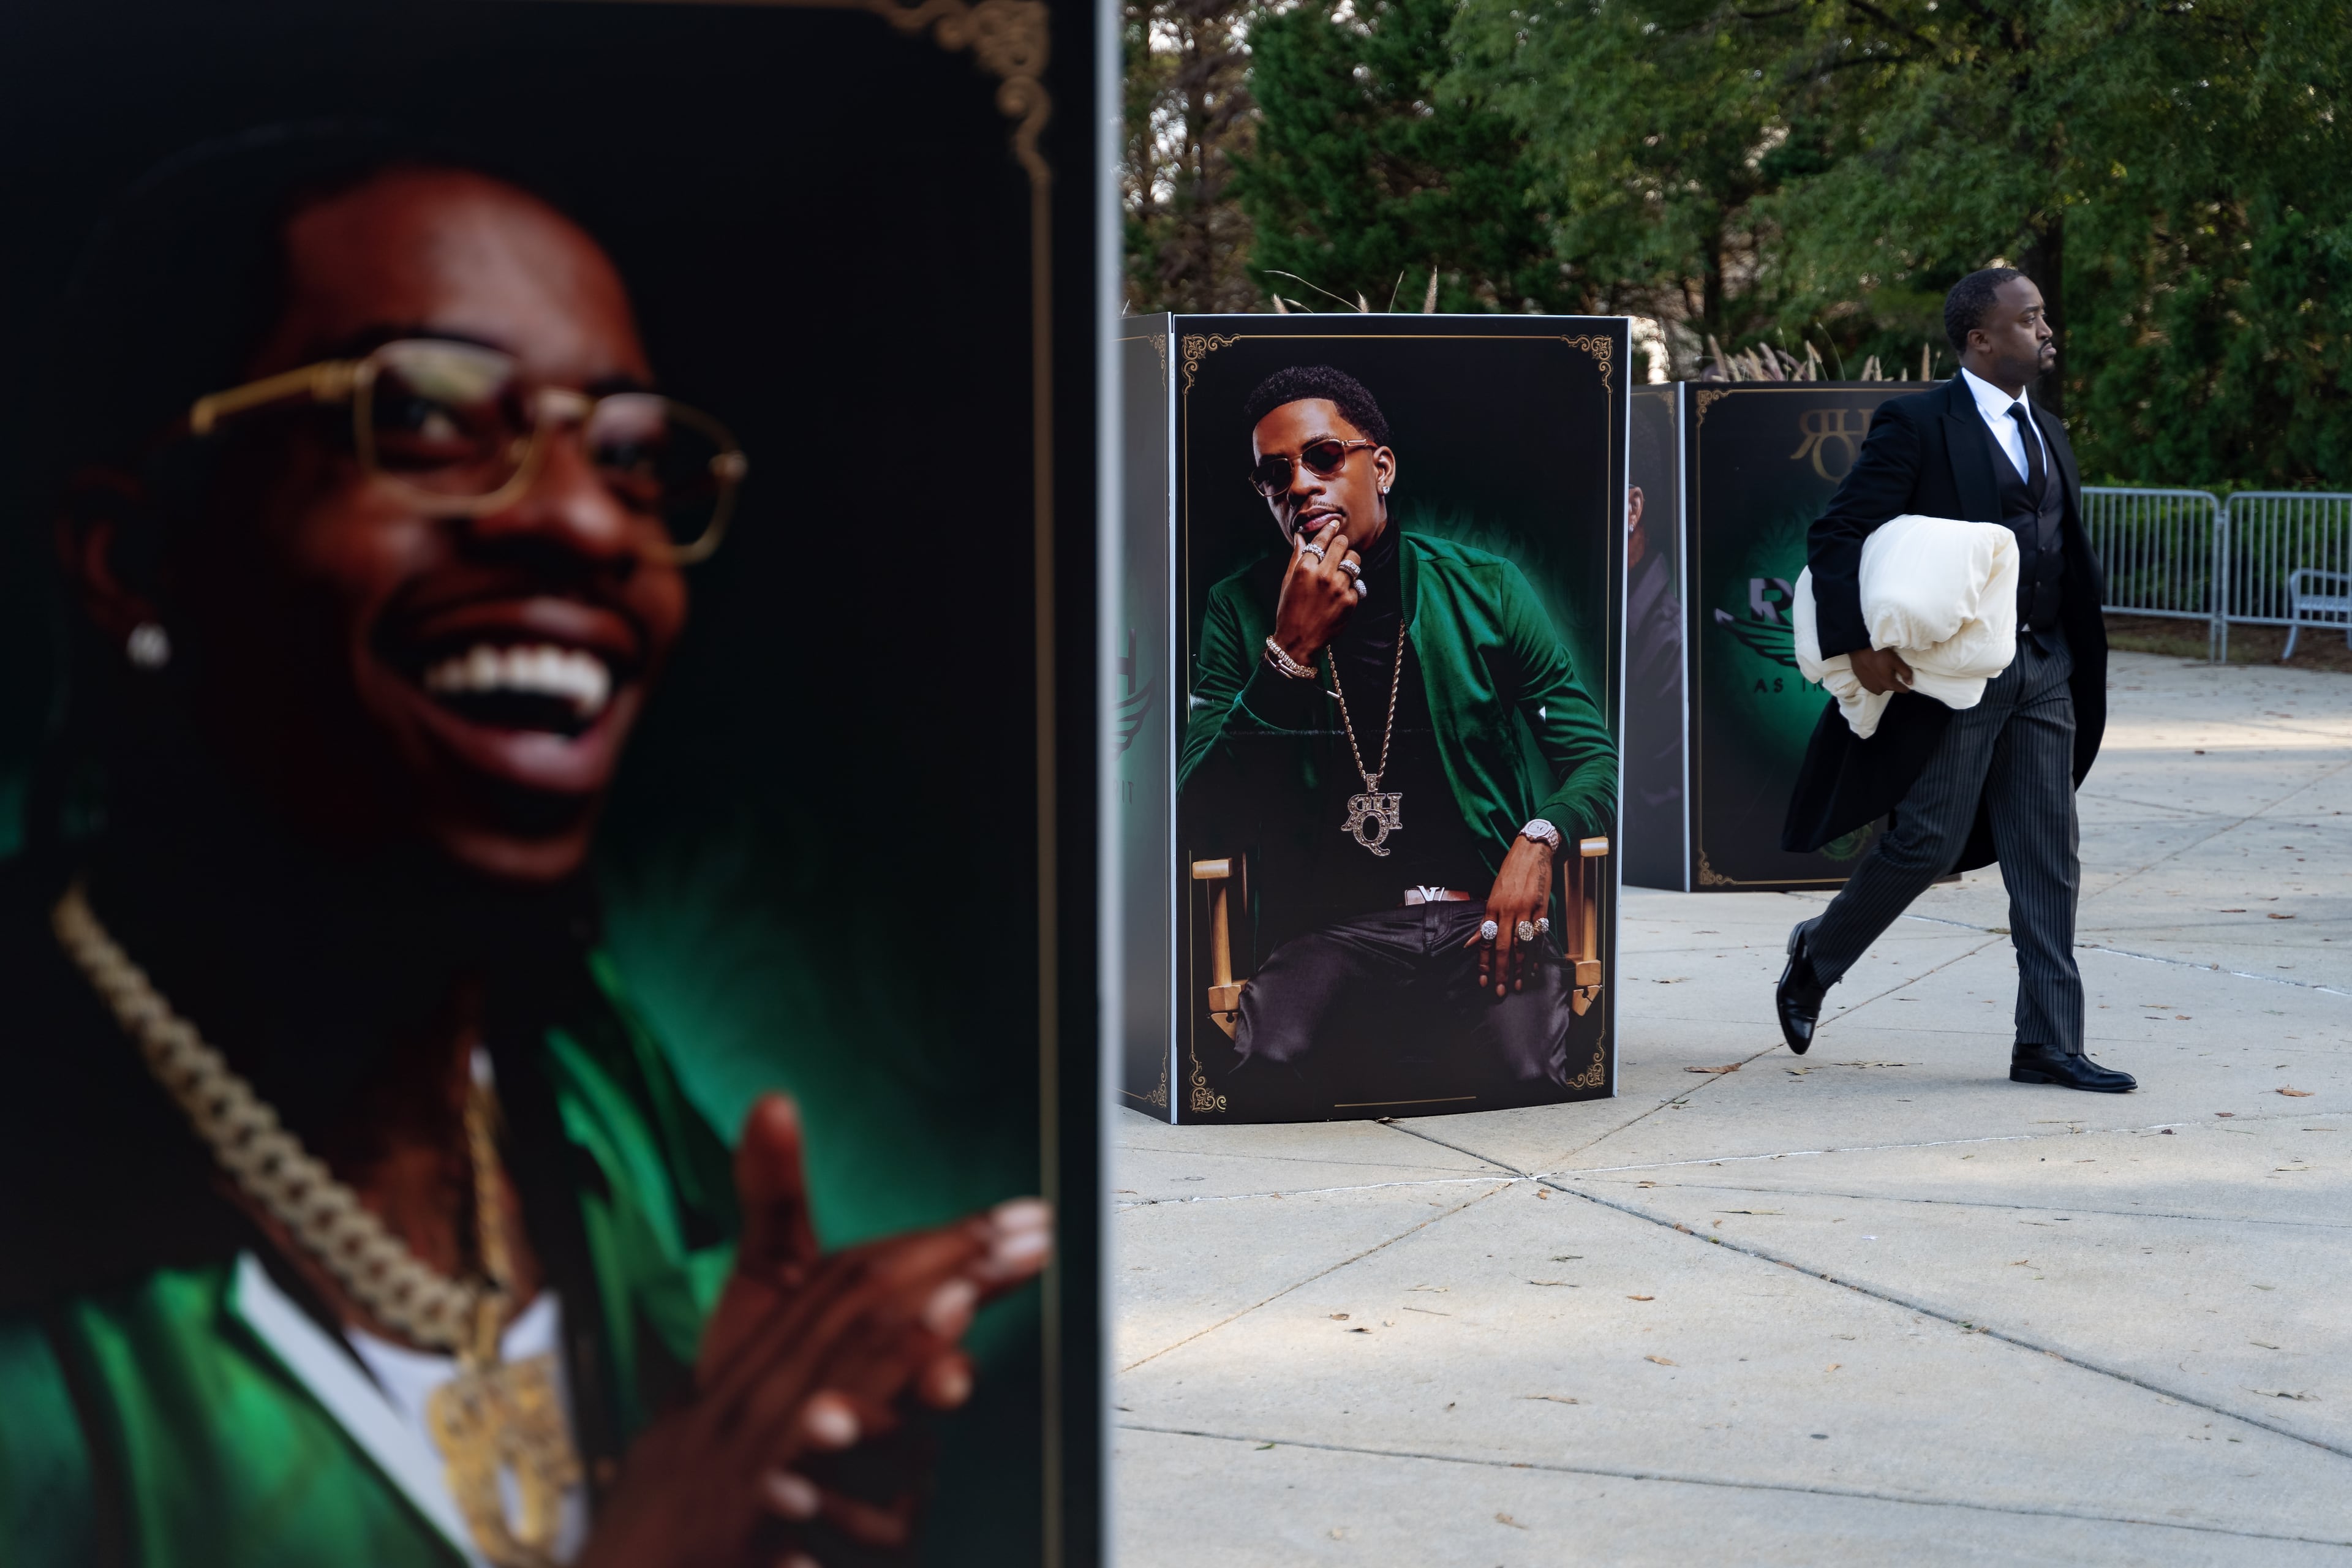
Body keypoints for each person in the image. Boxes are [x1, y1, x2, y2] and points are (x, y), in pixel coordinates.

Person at [0, 129, 1047, 1567]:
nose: (581, 519)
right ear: (131, 557)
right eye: (423, 416)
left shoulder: (576, 1065)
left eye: (632, 455)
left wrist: (750, 1433)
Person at [1178, 365, 1615, 1119]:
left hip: (1478, 916)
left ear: (1379, 467)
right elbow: (1200, 809)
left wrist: (1540, 838)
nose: (1299, 485)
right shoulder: (1239, 611)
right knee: (1266, 1067)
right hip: (1328, 930)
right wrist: (1286, 655)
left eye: (1322, 458)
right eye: (1273, 474)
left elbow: (1593, 759)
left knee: (1528, 1072)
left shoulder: (1488, 588)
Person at [1776, 267, 2128, 1092]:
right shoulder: (1918, 423)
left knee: (2048, 852)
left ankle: (2047, 1041)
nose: (2048, 331)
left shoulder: (2048, 429)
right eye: (2030, 318)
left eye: (2044, 316)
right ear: (1981, 339)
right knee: (1926, 839)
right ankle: (1816, 957)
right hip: (1957, 674)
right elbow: (1838, 534)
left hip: (2043, 667)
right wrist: (1857, 644)